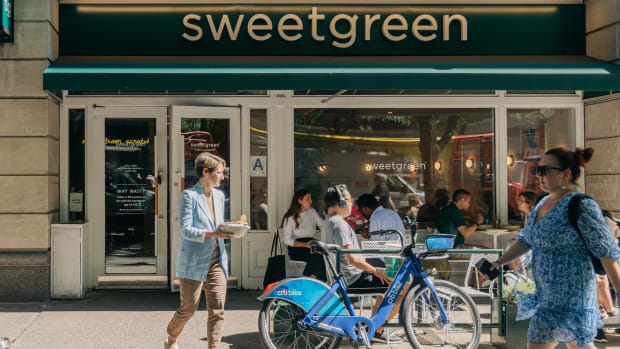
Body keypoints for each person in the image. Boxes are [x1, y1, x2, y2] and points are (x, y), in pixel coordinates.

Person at [491, 147, 620, 349]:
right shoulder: (542, 202)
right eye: (538, 170)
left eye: (545, 170)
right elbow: (527, 240)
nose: (539, 176)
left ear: (566, 174)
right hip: (546, 297)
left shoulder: (581, 205)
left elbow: (606, 252)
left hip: (573, 298)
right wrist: (500, 261)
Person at [165, 152, 234, 349]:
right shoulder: (189, 196)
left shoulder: (219, 196)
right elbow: (186, 230)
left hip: (217, 260)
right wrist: (214, 233)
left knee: (217, 309)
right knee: (188, 308)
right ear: (205, 172)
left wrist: (228, 228)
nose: (223, 176)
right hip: (194, 261)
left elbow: (216, 225)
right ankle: (171, 337)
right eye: (219, 173)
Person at [322, 184, 405, 344]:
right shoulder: (339, 224)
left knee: (389, 287)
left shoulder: (329, 221)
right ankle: (376, 329)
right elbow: (352, 259)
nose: (352, 204)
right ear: (341, 202)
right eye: (349, 200)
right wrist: (375, 271)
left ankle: (373, 328)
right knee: (401, 289)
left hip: (348, 275)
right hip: (352, 278)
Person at [280, 189, 326, 281]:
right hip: (297, 247)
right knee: (317, 256)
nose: (311, 201)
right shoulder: (290, 217)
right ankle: (312, 279)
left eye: (310, 198)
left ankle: (311, 278)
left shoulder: (312, 212)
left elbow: (323, 226)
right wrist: (305, 245)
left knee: (321, 254)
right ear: (299, 200)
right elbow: (286, 240)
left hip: (311, 243)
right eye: (307, 199)